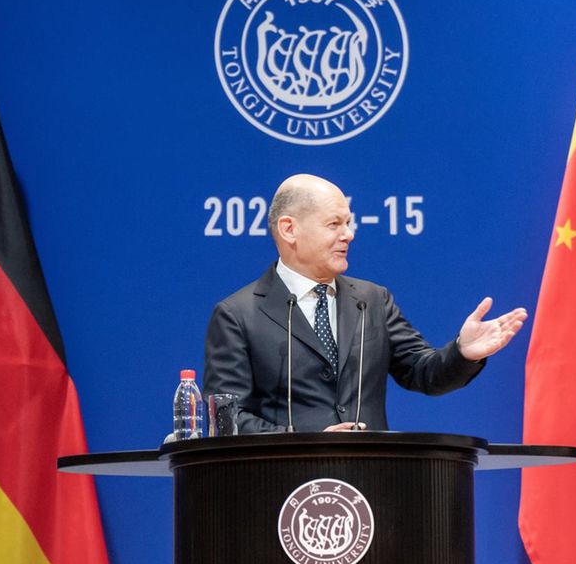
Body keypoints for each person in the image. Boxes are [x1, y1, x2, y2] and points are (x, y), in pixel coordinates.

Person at [204, 174, 526, 432]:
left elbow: (422, 372)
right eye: (334, 224)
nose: (349, 234)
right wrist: (307, 442)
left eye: (348, 222)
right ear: (289, 229)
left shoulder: (372, 300)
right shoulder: (238, 315)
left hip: (368, 482)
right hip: (281, 488)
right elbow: (228, 419)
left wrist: (463, 352)